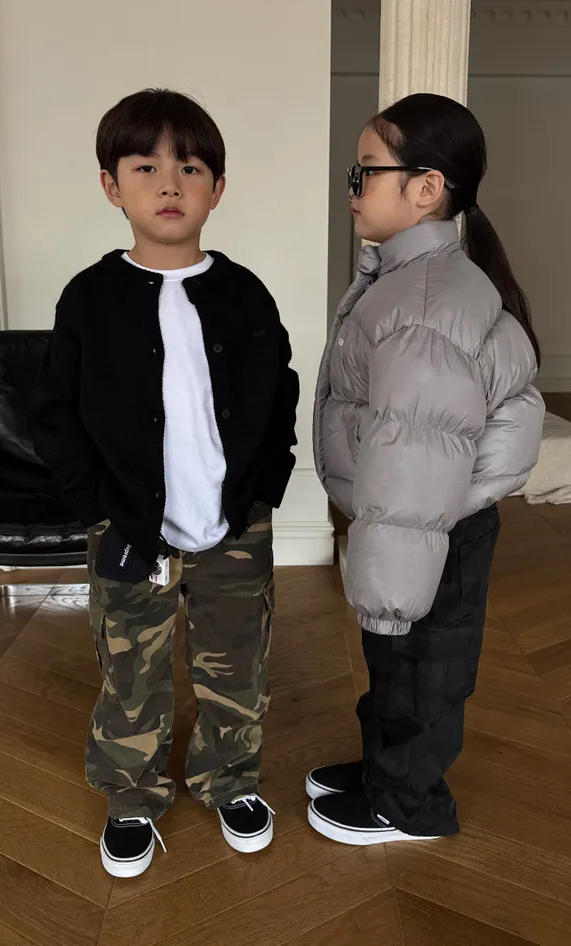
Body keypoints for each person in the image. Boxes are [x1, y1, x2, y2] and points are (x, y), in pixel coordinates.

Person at [28, 88, 299, 877]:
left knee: (237, 665)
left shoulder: (244, 293)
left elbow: (279, 391)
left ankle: (230, 779)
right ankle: (131, 795)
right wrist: (97, 510)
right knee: (130, 671)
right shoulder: (89, 298)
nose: (170, 184)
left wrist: (265, 487)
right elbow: (55, 415)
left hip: (233, 526)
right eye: (146, 167)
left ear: (218, 188)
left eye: (191, 168)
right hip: (127, 527)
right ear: (112, 186)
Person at [307, 92, 544, 846]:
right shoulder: (412, 280)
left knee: (419, 663)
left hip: (427, 520)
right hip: (426, 517)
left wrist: (386, 586)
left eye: (365, 170)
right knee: (400, 659)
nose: (352, 187)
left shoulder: (424, 303)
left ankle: (407, 805)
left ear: (426, 188)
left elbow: (414, 457)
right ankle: (386, 771)